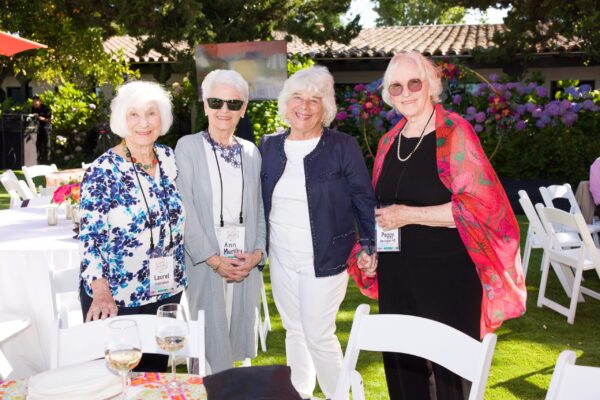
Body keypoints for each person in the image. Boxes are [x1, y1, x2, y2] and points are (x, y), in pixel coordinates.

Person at [349, 52, 526, 400]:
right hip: (397, 274)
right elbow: (385, 210)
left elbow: (481, 209)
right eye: (396, 86)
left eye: (414, 82)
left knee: (451, 377)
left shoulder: (455, 133)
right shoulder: (389, 142)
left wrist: (410, 215)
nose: (406, 92)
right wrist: (375, 253)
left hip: (448, 276)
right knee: (402, 370)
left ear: (431, 85)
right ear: (388, 93)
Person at [260, 66, 376, 399]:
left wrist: (370, 245)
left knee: (317, 334)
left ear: (326, 108)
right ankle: (301, 394)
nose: (305, 106)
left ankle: (339, 395)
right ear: (286, 103)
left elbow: (363, 199)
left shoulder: (342, 145)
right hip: (281, 258)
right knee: (294, 332)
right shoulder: (269, 146)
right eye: (298, 97)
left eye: (315, 99)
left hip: (325, 258)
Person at [79, 81, 186, 372]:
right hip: (117, 297)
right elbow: (90, 237)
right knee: (118, 382)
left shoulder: (168, 158)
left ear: (161, 119)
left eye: (151, 113)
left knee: (154, 378)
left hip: (165, 292)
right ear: (121, 121)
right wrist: (101, 292)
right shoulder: (103, 170)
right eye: (133, 115)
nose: (143, 123)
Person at [175, 69, 266, 374]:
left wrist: (257, 254)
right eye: (216, 101)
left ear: (243, 109)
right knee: (203, 349)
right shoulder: (187, 147)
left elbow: (258, 209)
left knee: (233, 344)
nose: (223, 110)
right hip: (205, 263)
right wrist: (213, 259)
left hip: (243, 264)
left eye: (232, 103)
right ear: (204, 105)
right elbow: (183, 208)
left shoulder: (252, 152)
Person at [31, 96, 52, 163]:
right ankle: (38, 161)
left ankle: (47, 161)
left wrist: (41, 118)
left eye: (36, 102)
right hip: (37, 129)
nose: (34, 104)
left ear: (40, 102)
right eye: (33, 102)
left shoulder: (46, 108)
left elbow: (50, 119)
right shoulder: (33, 108)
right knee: (38, 144)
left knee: (46, 145)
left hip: (46, 128)